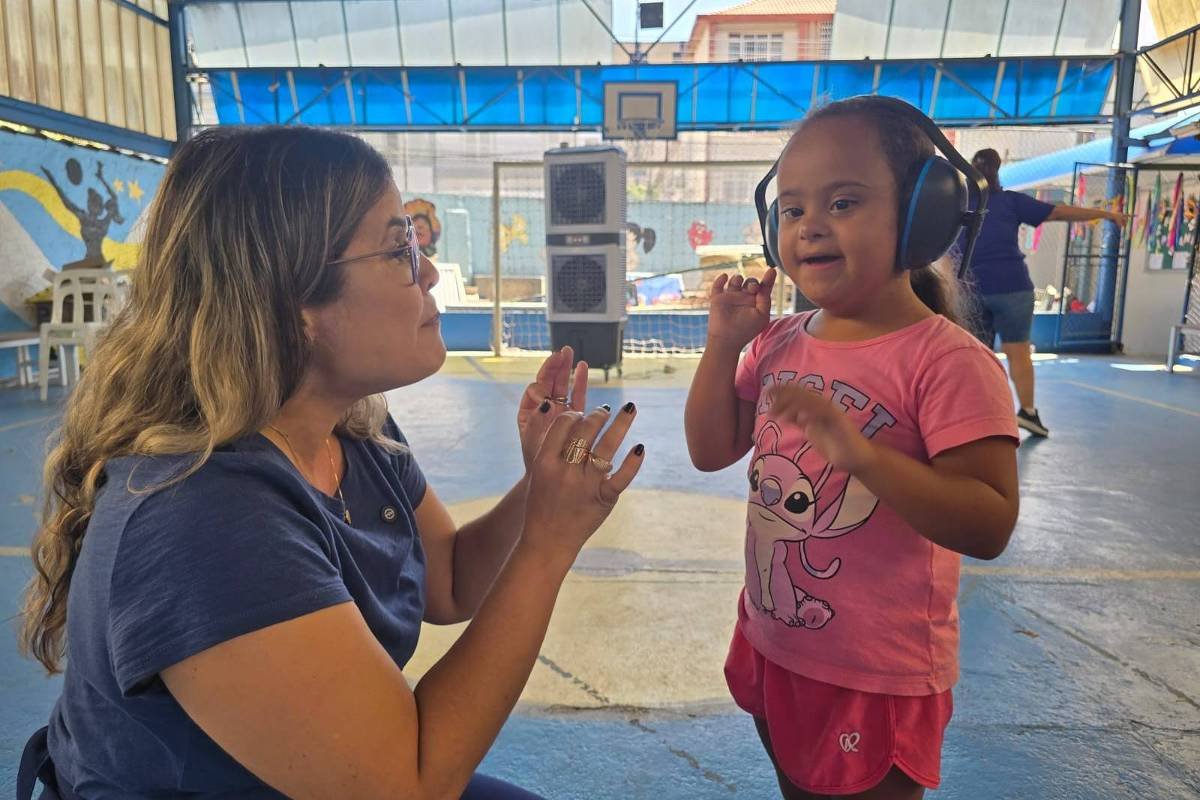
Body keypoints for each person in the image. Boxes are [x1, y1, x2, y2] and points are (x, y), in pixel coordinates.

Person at [17, 126, 645, 800]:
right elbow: (410, 784)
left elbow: (452, 582)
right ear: (296, 302)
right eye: (400, 247)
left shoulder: (353, 428)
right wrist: (545, 548)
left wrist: (539, 487)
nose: (428, 270)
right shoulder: (202, 516)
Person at [685, 97, 1021, 799]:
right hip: (776, 641)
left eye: (843, 202)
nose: (809, 227)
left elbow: (989, 522)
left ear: (923, 215)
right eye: (792, 208)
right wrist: (724, 346)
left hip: (876, 674)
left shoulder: (948, 362)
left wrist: (863, 456)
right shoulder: (780, 342)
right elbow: (710, 447)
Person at [966, 148, 1128, 437]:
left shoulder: (958, 205)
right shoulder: (1010, 202)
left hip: (970, 287)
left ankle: (973, 415)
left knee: (974, 356)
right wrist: (1106, 213)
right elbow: (1060, 212)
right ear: (998, 169)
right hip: (1012, 287)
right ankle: (1028, 413)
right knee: (1018, 353)